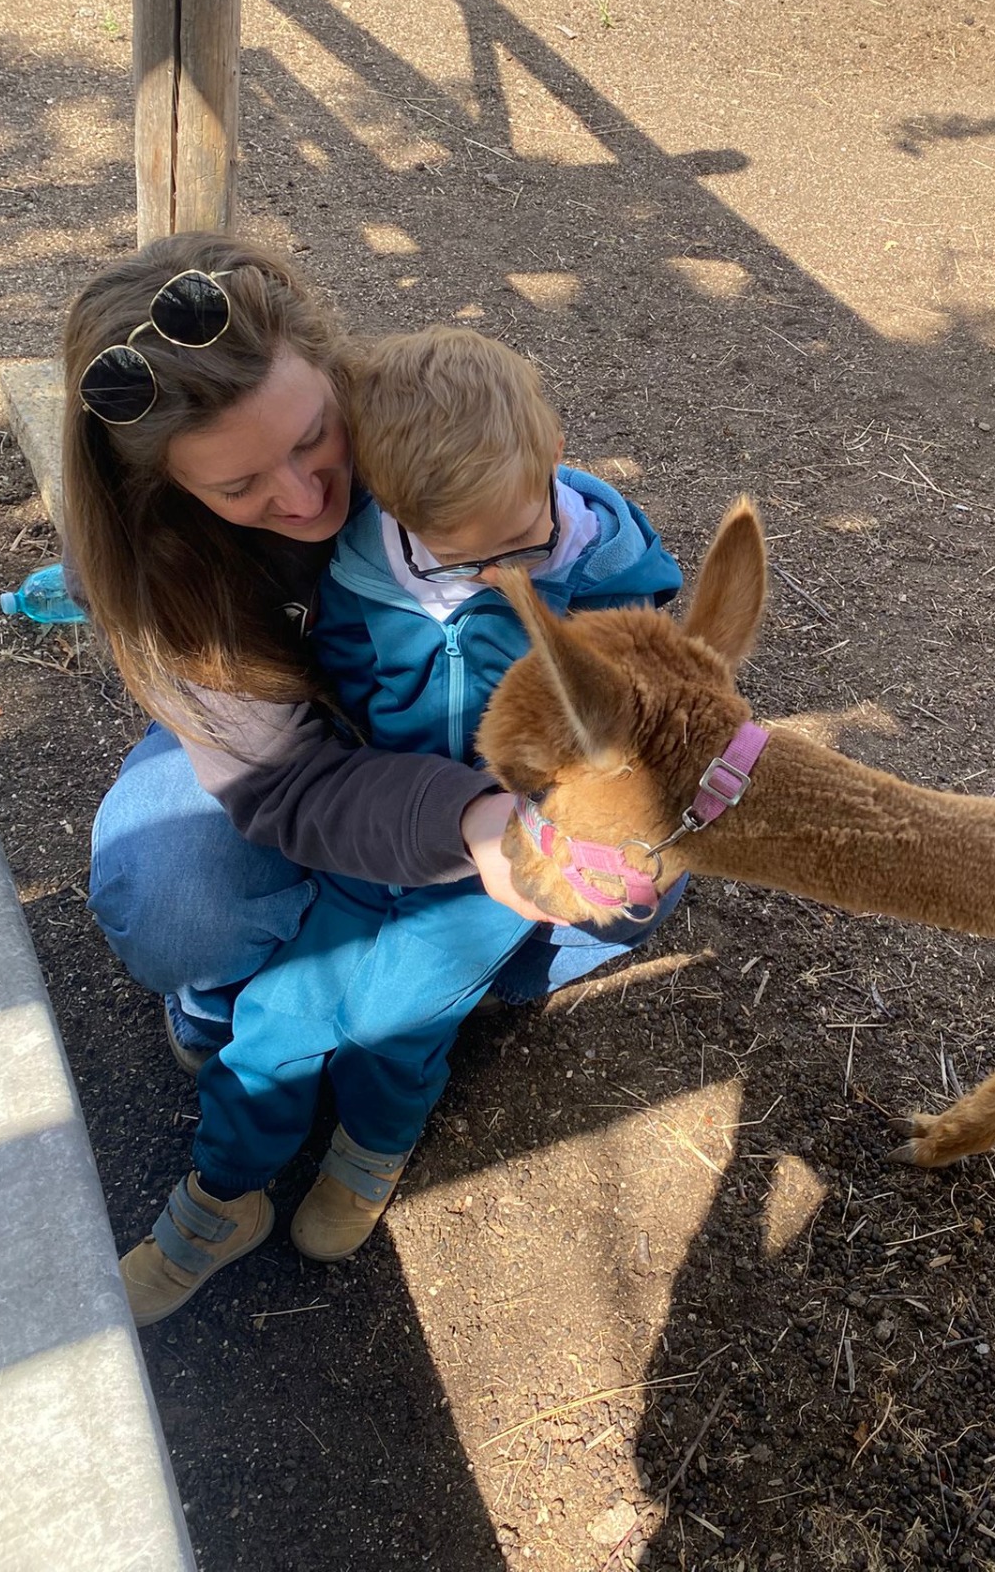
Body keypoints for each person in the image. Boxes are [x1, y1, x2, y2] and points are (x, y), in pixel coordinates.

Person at [115, 325, 683, 1324]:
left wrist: (599, 801)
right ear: (400, 510)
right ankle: (220, 1197)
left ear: (554, 459)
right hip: (381, 832)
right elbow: (338, 682)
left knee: (395, 1018)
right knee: (277, 1017)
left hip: (509, 857)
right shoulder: (364, 570)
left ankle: (369, 1151)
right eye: (468, 556)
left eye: (524, 544)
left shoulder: (608, 580)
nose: (504, 572)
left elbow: (652, 717)